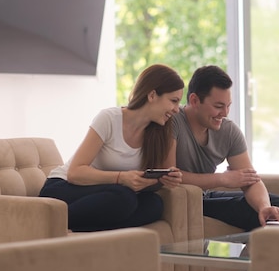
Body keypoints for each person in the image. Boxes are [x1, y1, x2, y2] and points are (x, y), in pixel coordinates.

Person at [39, 64, 184, 232]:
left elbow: (148, 180)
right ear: (152, 95)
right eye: (173, 101)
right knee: (124, 198)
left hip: (105, 195)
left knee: (154, 204)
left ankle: (89, 229)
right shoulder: (109, 119)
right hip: (63, 188)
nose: (177, 109)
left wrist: (164, 178)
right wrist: (121, 178)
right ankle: (49, 221)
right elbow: (75, 173)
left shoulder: (159, 132)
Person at [170, 65, 279, 232]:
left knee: (277, 207)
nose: (225, 113)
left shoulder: (228, 131)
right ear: (194, 101)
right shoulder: (173, 122)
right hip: (180, 201)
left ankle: (257, 258)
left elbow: (250, 179)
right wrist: (222, 179)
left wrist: (264, 207)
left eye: (228, 106)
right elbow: (169, 174)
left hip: (204, 197)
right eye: (218, 106)